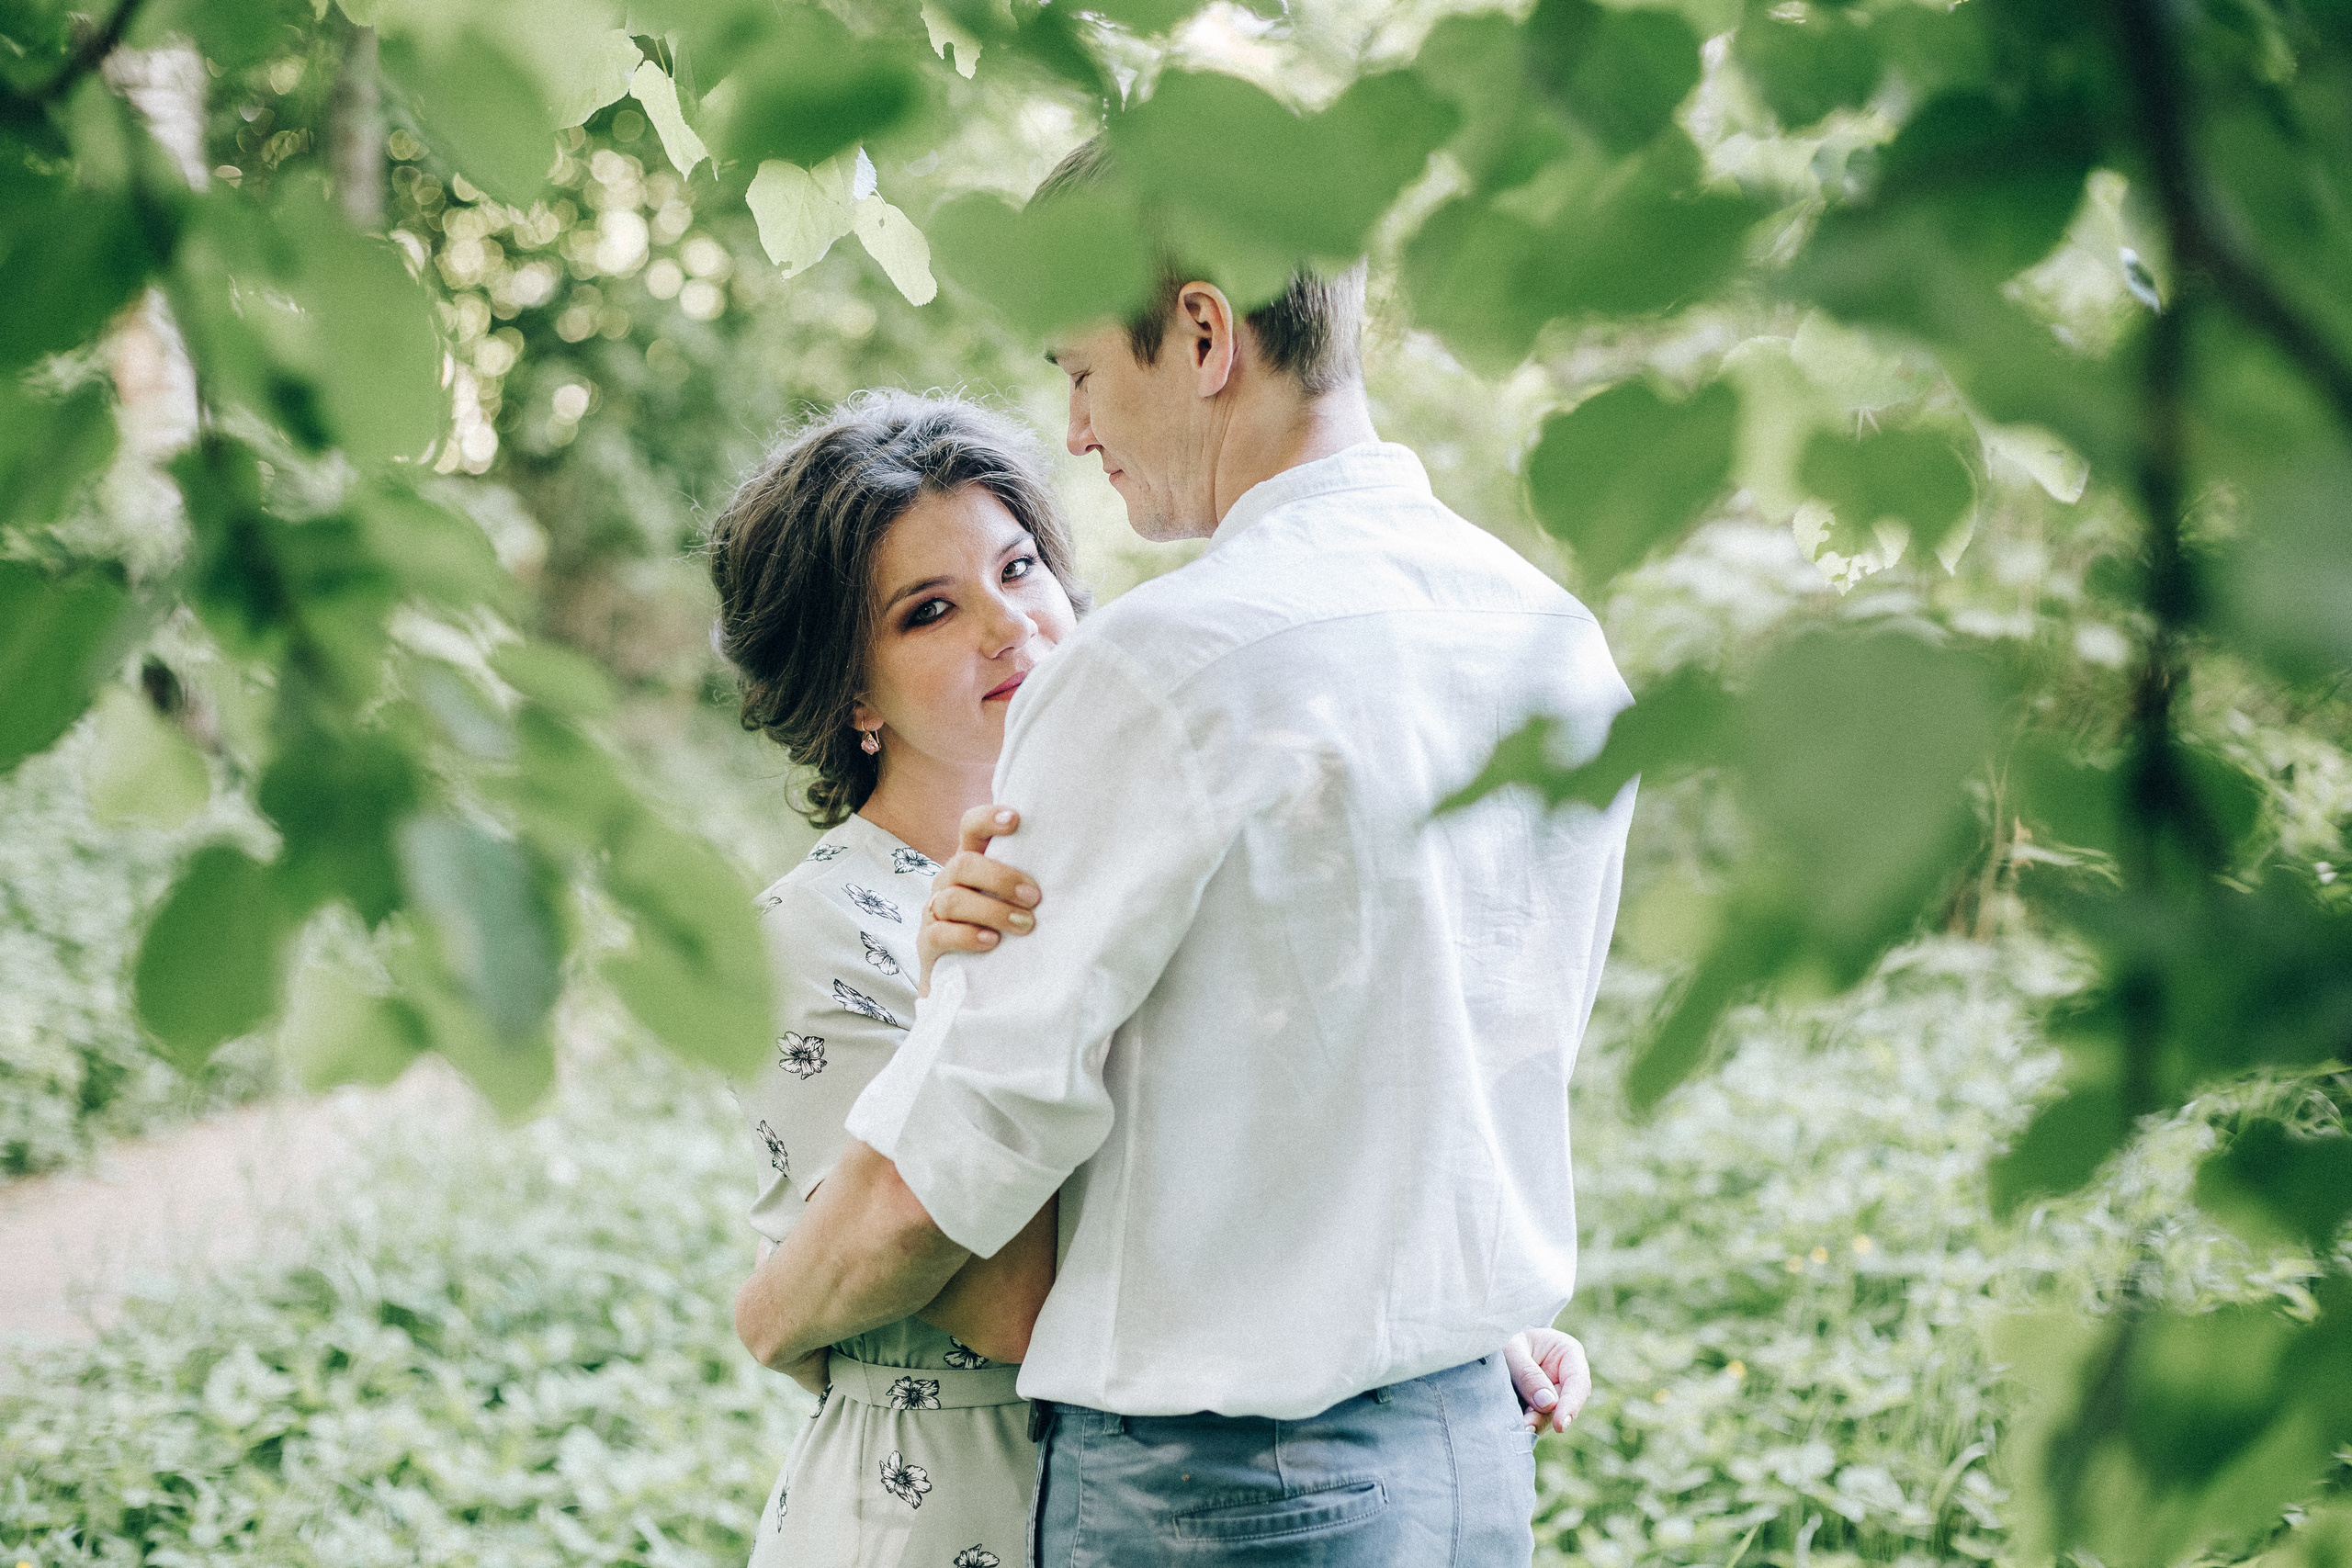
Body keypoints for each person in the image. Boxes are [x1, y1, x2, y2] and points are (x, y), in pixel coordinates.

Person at [729, 131, 1636, 1565]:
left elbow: (974, 1147)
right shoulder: (1554, 642)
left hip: (1230, 1485)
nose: (1076, 430)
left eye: (1084, 370)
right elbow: (1446, 1074)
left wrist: (771, 1308)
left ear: (1203, 334)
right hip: (1466, 1457)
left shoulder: (1160, 667)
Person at [706, 392, 1088, 1568]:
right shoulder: (812, 932)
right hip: (939, 1509)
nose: (1009, 626)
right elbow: (1010, 1305)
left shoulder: (1128, 860)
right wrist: (958, 993)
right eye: (930, 610)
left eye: (1019, 567)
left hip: (1147, 1491)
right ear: (852, 696)